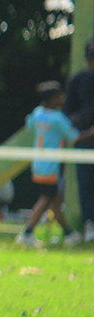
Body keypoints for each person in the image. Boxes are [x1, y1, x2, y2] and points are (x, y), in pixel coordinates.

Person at [16, 81, 93, 247]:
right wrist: (90, 133)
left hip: (38, 163)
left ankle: (68, 233)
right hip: (51, 165)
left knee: (55, 200)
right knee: (46, 199)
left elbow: (29, 123)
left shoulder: (37, 113)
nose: (62, 98)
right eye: (59, 96)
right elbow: (74, 137)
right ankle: (27, 232)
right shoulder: (57, 119)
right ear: (52, 98)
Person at [63, 39, 94, 241]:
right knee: (86, 183)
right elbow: (67, 112)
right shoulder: (78, 80)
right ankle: (89, 224)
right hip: (84, 141)